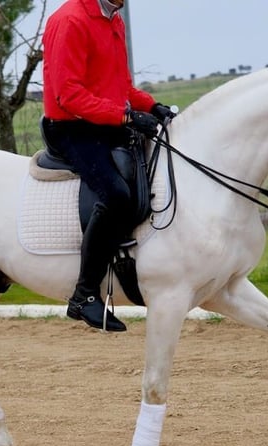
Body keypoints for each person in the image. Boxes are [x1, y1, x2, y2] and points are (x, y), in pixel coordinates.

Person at [41, 0, 175, 332]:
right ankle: (84, 294)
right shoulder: (70, 20)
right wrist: (127, 117)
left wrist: (152, 107)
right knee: (116, 194)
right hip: (72, 129)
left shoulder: (114, 18)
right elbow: (68, 95)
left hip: (104, 123)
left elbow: (120, 88)